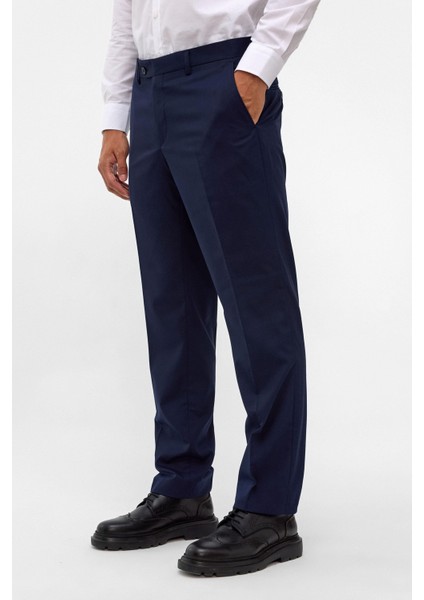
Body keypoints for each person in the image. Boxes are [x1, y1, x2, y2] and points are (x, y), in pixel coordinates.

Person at [92, 0, 321, 577]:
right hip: (150, 91)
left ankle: (270, 509)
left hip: (224, 78)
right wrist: (117, 112)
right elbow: (127, 11)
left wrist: (257, 67)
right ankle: (182, 489)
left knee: (256, 302)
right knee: (172, 304)